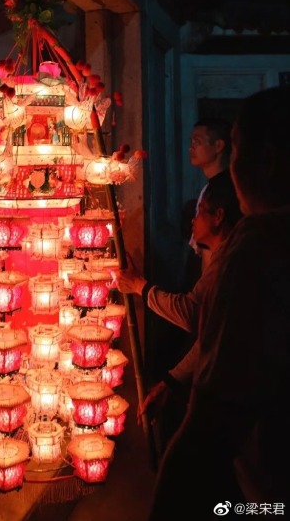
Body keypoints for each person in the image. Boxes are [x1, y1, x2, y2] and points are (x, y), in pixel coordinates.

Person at [146, 86, 290, 520]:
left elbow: (212, 418)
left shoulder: (259, 246)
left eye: (239, 151)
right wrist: (173, 379)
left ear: (263, 159)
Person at [119, 170, 243, 439]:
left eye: (200, 211)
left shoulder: (231, 263)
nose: (193, 219)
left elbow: (192, 313)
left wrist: (140, 286)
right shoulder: (222, 258)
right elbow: (210, 334)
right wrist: (171, 381)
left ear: (218, 217)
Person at [187, 117, 232, 271]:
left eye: (197, 142)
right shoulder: (212, 185)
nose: (191, 148)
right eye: (191, 142)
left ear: (218, 145)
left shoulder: (223, 189)